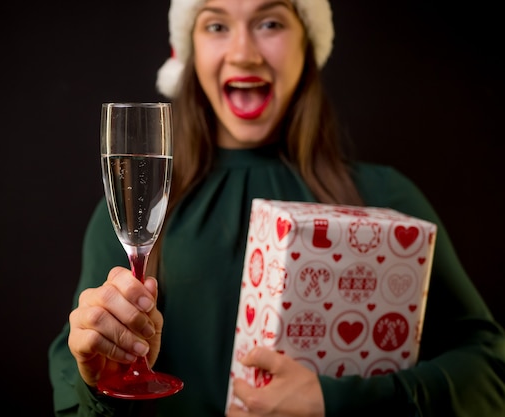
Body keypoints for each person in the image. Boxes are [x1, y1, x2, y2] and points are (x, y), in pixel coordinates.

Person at [48, 0, 505, 415]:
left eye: (270, 22)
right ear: (187, 50)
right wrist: (101, 384)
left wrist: (339, 403)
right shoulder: (138, 209)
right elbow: (74, 396)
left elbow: (488, 370)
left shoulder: (388, 200)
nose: (244, 52)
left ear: (308, 42)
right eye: (216, 25)